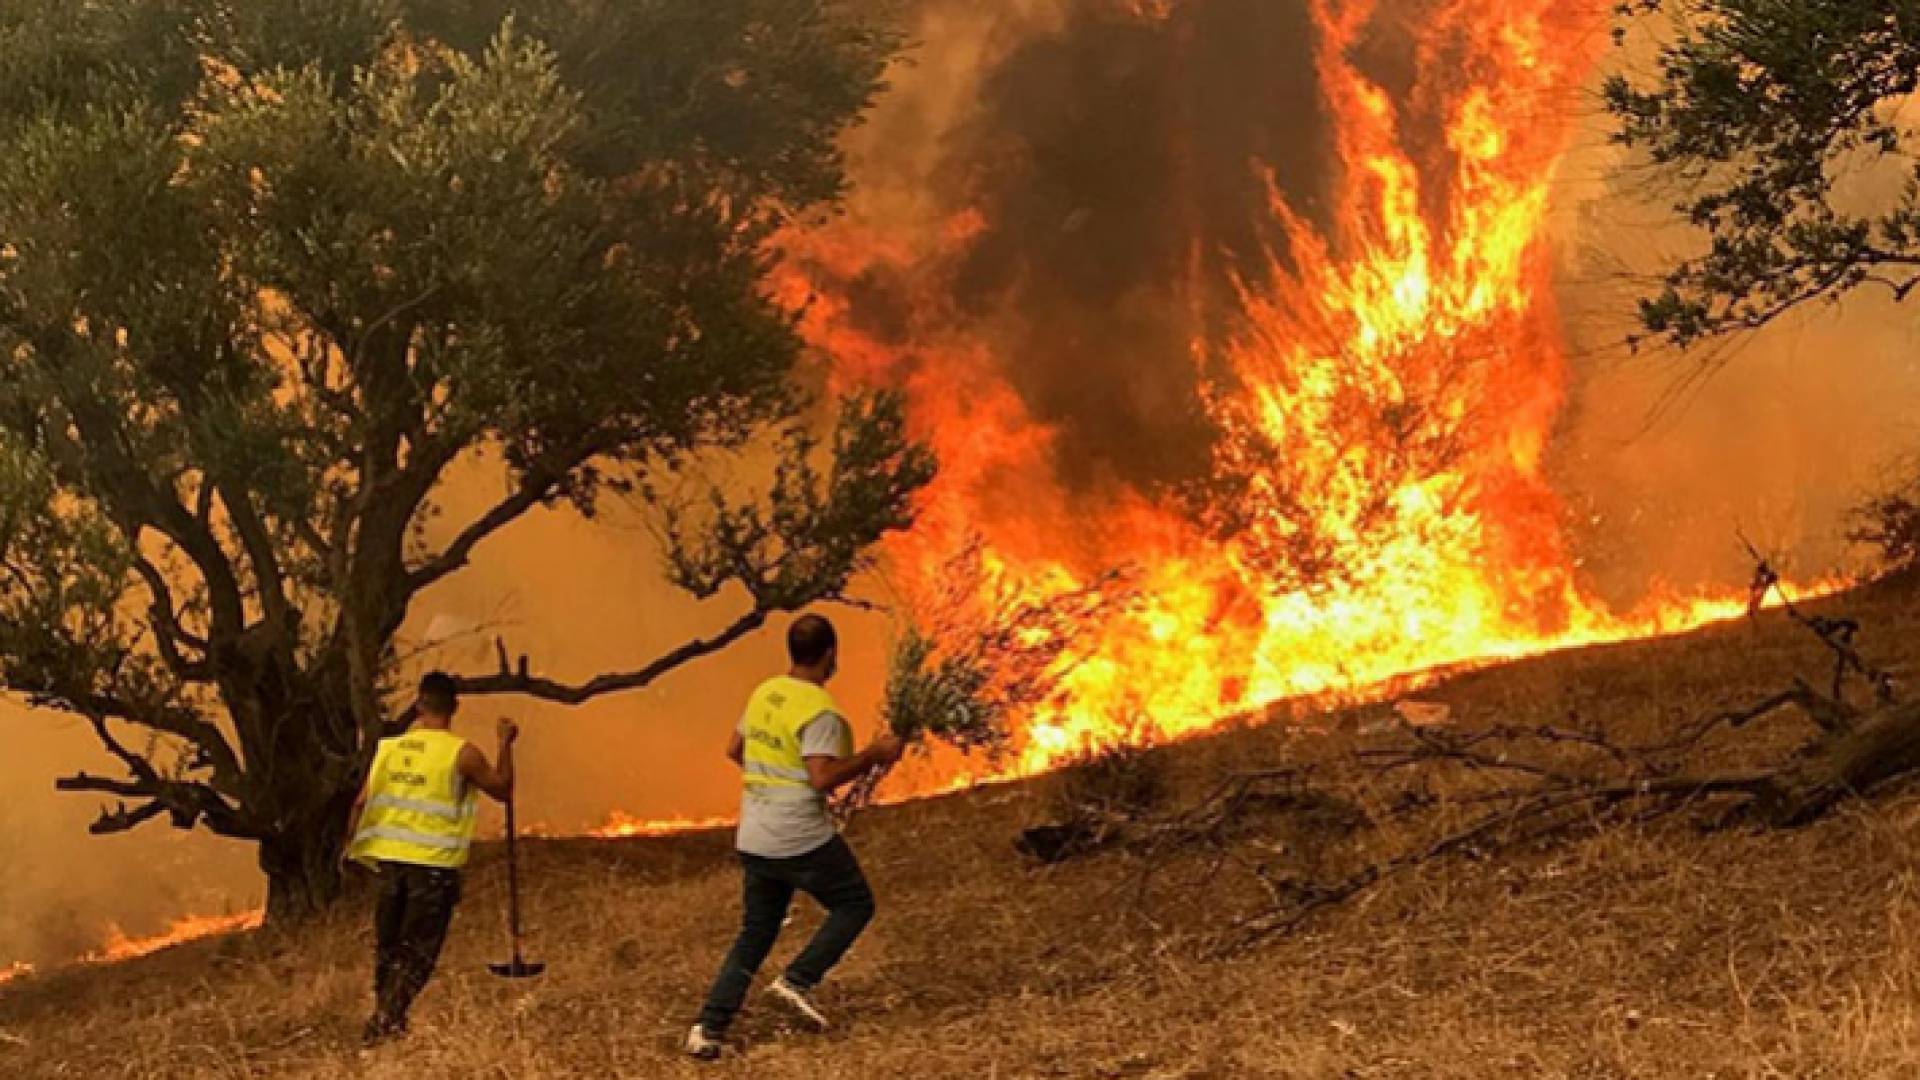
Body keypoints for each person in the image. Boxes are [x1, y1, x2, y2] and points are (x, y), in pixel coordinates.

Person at [685, 614, 904, 1060]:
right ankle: (797, 981)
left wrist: (770, 782)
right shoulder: (820, 711)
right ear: (830, 655)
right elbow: (822, 777)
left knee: (756, 933)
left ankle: (708, 1030)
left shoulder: (766, 692)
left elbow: (734, 750)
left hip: (755, 833)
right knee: (855, 904)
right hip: (798, 835)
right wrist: (875, 754)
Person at [346, 671, 518, 1045]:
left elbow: (360, 805)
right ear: (454, 707)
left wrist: (352, 854)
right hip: (433, 869)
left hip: (390, 866)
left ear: (419, 704)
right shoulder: (462, 754)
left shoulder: (389, 750)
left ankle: (387, 1018)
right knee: (419, 950)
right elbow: (502, 789)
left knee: (389, 946)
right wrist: (505, 743)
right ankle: (386, 1021)